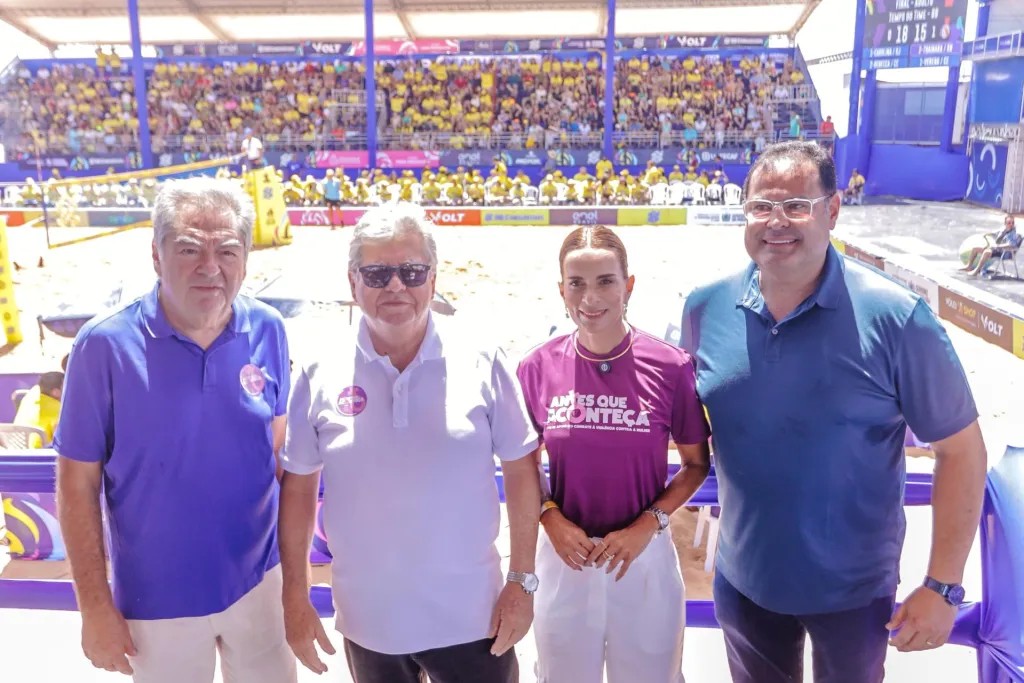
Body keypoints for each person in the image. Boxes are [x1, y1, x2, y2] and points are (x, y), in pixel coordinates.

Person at [681, 141, 987, 683]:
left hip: (855, 596)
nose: (777, 222)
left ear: (834, 209)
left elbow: (961, 450)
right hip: (744, 580)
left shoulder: (897, 318)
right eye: (760, 206)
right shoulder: (705, 308)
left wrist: (942, 586)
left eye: (797, 205)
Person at [279, 202, 542, 682]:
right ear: (353, 283)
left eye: (412, 271)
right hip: (369, 622)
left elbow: (523, 473)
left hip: (476, 617)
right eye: (377, 273)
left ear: (433, 280)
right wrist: (295, 596)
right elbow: (297, 490)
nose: (396, 285)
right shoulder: (318, 370)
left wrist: (522, 582)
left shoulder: (482, 358)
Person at [54, 176, 295, 683]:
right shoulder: (103, 346)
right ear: (156, 255)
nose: (210, 267)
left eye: (227, 251)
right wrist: (94, 607)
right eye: (189, 249)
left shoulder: (269, 327)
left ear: (246, 258)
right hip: (155, 602)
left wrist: (292, 581)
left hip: (259, 585)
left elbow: (275, 451)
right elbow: (76, 485)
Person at [517, 226, 711, 683]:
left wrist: (648, 524)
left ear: (629, 286)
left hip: (643, 558)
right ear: (561, 290)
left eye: (605, 281)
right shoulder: (536, 367)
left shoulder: (670, 366)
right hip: (566, 558)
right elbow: (522, 465)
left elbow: (696, 464)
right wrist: (550, 518)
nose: (590, 297)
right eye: (576, 283)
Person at [12, 370, 64, 448]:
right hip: (41, 452)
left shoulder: (31, 395)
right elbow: (62, 443)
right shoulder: (58, 411)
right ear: (55, 392)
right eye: (65, 387)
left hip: (18, 449)